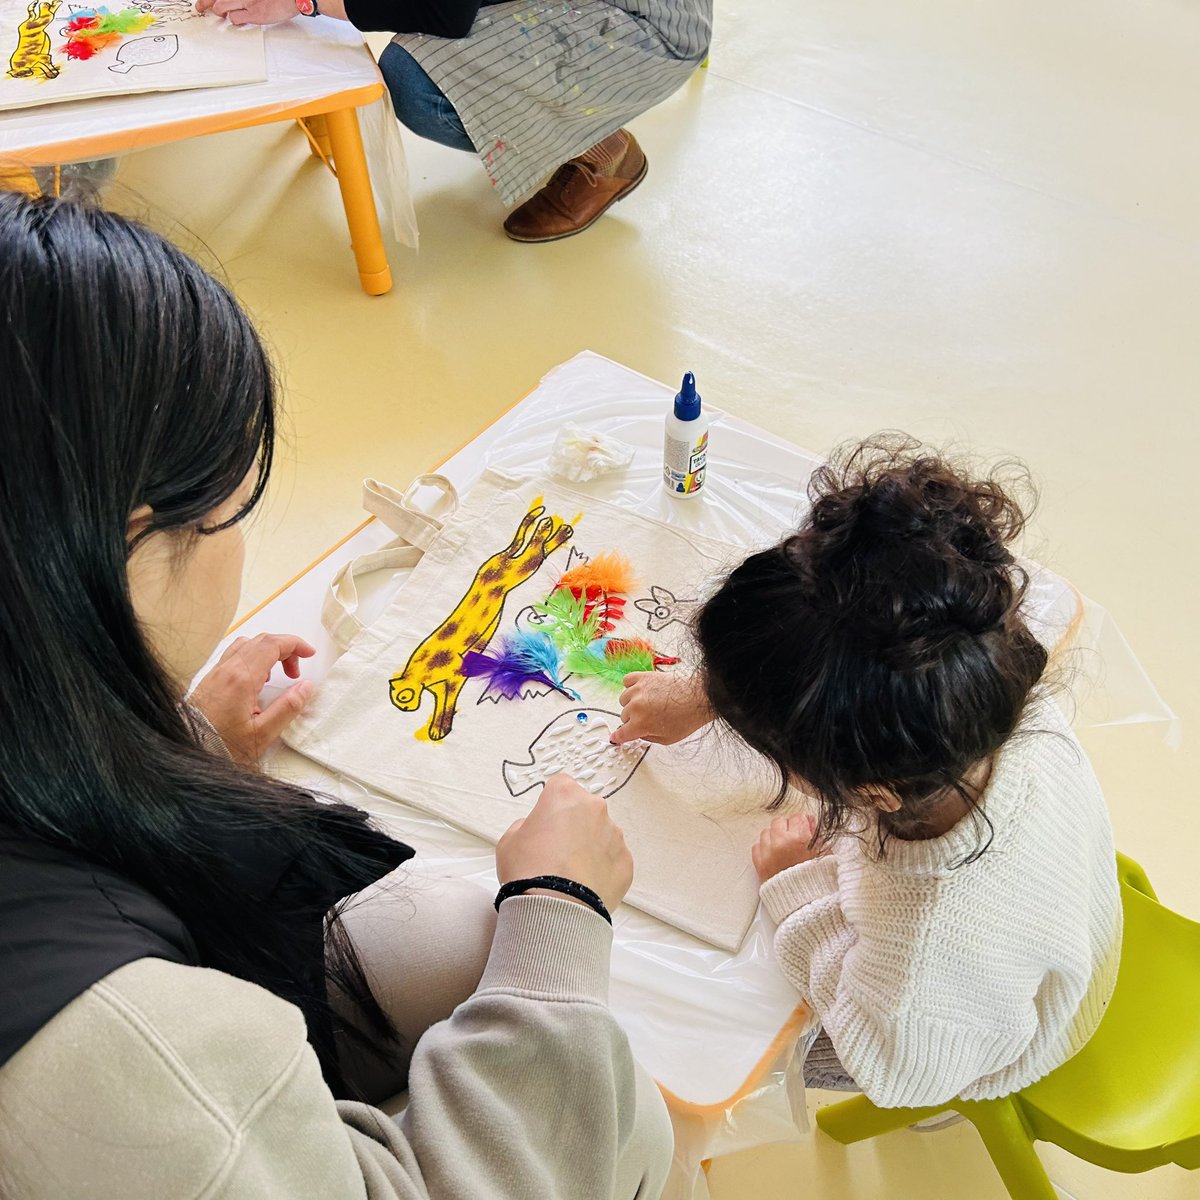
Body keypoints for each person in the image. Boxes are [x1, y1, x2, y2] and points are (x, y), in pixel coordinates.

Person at [0, 189, 671, 1199]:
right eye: (233, 508)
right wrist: (560, 913)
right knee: (600, 1062)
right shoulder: (128, 1066)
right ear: (132, 544)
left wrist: (161, 740)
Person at [614, 437, 1122, 1109]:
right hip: (1072, 922)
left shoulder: (921, 962)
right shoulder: (981, 686)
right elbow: (829, 638)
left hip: (983, 1040)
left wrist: (796, 891)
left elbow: (895, 1072)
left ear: (867, 791)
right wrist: (712, 693)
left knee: (765, 1035)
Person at [196, 0, 710, 243]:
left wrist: (301, 1)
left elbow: (446, 10)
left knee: (417, 79)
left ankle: (600, 149)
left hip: (649, 26)